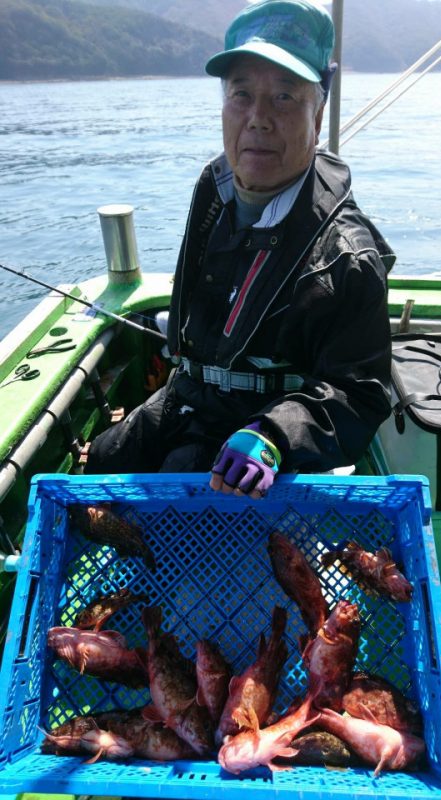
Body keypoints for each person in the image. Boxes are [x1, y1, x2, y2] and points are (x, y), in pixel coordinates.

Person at [85, 0, 395, 498]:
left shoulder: (347, 257)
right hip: (188, 395)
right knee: (99, 462)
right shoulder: (217, 183)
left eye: (285, 97)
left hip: (259, 434)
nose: (258, 119)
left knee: (180, 527)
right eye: (241, 94)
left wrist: (275, 435)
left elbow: (361, 395)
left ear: (320, 110)